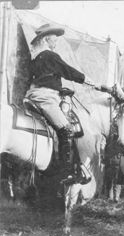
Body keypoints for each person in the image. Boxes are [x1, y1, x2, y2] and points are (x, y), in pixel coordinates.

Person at [24, 24, 92, 185]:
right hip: (46, 98)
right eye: (54, 39)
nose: (56, 43)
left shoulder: (35, 57)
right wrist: (89, 82)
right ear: (47, 39)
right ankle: (66, 172)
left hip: (34, 95)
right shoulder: (50, 55)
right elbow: (68, 71)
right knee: (67, 130)